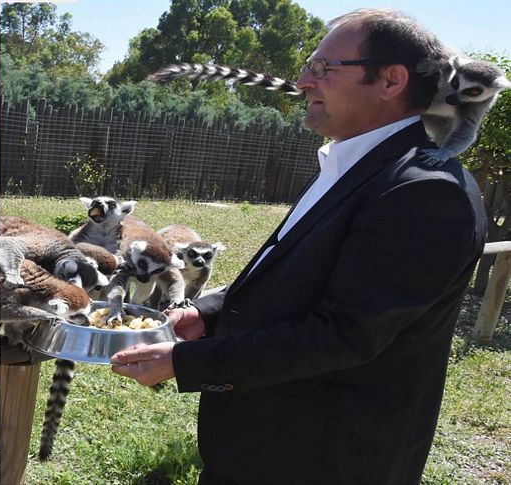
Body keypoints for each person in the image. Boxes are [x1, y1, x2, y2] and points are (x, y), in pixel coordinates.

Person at [111, 9, 488, 485]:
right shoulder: (355, 165)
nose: (303, 81)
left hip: (323, 460)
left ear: (391, 80)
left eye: (323, 68)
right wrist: (208, 312)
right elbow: (297, 275)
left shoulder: (426, 191)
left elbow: (345, 335)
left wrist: (185, 363)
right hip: (263, 449)